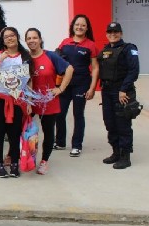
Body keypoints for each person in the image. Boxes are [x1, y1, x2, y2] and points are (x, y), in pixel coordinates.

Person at [0, 27, 32, 178]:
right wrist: (0, 61)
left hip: (17, 100)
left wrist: (29, 102)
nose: (10, 38)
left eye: (12, 35)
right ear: (3, 41)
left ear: (17, 37)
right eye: (6, 37)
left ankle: (14, 163)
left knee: (15, 133)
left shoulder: (25, 56)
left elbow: (29, 80)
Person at [25, 28, 73, 175]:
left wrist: (60, 88)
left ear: (40, 39)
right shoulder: (24, 58)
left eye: (35, 37)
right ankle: (24, 157)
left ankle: (44, 161)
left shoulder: (50, 56)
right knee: (24, 130)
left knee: (48, 132)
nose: (32, 41)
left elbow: (69, 69)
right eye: (29, 38)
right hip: (29, 101)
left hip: (48, 101)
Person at [54, 14, 99, 157]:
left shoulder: (91, 45)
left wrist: (92, 88)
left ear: (87, 28)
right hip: (65, 84)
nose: (79, 27)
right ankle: (60, 142)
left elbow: (95, 68)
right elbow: (56, 60)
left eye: (83, 25)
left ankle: (76, 145)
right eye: (77, 24)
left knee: (78, 114)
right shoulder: (65, 42)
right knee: (60, 114)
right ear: (73, 26)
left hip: (81, 84)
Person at [98, 22, 140, 169]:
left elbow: (134, 71)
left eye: (116, 32)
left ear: (121, 33)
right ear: (106, 34)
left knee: (123, 124)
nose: (113, 34)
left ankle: (125, 157)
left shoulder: (129, 48)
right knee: (110, 123)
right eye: (110, 32)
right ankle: (116, 152)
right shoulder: (105, 50)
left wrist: (123, 89)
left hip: (122, 91)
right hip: (107, 91)